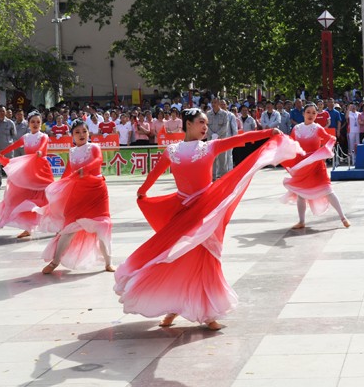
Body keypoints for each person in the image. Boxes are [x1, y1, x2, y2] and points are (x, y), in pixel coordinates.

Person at [116, 109, 295, 330]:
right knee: (177, 257)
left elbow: (239, 139)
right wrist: (142, 191)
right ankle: (173, 308)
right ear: (188, 123)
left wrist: (268, 133)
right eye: (201, 122)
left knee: (207, 259)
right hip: (182, 213)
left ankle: (208, 314)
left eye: (206, 123)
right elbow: (155, 173)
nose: (205, 127)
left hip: (207, 212)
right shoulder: (172, 151)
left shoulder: (210, 146)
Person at [40, 119, 114, 274]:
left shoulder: (94, 147)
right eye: (77, 132)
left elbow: (98, 160)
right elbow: (68, 172)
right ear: (72, 135)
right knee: (70, 228)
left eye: (84, 131)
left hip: (97, 191)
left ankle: (108, 263)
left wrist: (85, 169)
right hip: (78, 193)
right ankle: (55, 262)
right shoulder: (72, 151)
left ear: (88, 133)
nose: (81, 135)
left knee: (102, 226)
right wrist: (57, 189)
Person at [283, 102, 349, 229]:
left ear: (316, 115)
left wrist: (326, 149)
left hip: (316, 165)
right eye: (308, 112)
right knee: (301, 193)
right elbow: (290, 143)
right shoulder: (296, 129)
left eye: (314, 113)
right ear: (303, 114)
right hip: (302, 165)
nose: (311, 115)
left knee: (328, 191)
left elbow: (330, 138)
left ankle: (343, 217)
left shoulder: (317, 128)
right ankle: (301, 221)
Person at [0, 111, 53, 238]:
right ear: (28, 123)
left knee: (47, 197)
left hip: (42, 171)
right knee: (26, 196)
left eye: (38, 122)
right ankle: (28, 227)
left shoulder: (43, 136)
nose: (35, 124)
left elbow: (42, 147)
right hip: (29, 170)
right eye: (33, 122)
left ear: (41, 123)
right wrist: (2, 153)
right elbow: (14, 145)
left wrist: (39, 152)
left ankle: (57, 224)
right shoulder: (26, 137)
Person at [0, 106, 17, 190]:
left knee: (10, 166)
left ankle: (11, 183)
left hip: (8, 147)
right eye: (0, 111)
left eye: (3, 111)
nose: (2, 113)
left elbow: (14, 134)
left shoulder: (10, 122)